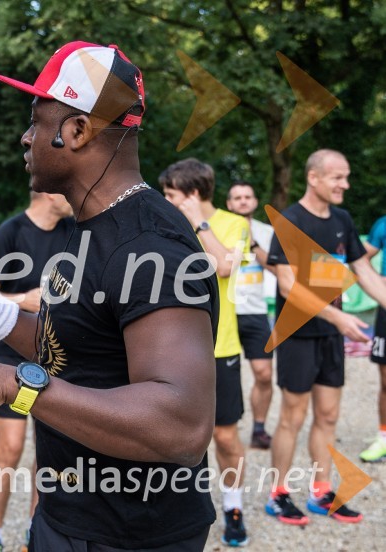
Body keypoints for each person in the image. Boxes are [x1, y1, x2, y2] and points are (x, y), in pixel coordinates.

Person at [0, 41, 219, 550]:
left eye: (36, 121)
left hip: (131, 535)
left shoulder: (151, 243)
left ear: (77, 130)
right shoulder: (87, 226)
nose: (26, 137)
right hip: (70, 516)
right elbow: (68, 344)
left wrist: (12, 384)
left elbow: (181, 425)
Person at [265, 149, 386, 524]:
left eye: (346, 177)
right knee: (292, 417)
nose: (345, 185)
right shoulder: (291, 220)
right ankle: (278, 493)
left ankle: (321, 492)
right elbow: (286, 286)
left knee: (329, 415)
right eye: (338, 177)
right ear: (314, 177)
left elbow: (363, 271)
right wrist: (337, 316)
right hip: (298, 334)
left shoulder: (342, 220)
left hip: (332, 336)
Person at [160, 159, 250, 547]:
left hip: (221, 346)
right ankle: (182, 510)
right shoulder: (167, 222)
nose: (167, 202)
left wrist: (199, 223)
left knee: (226, 437)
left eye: (172, 196)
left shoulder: (234, 224)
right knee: (176, 439)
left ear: (193, 195)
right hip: (176, 350)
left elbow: (225, 266)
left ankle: (233, 506)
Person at [0, 191, 74, 552]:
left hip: (56, 355)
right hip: (10, 355)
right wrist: (23, 300)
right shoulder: (11, 232)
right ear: (49, 194)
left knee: (46, 452)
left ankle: (36, 534)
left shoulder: (73, 230)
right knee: (11, 447)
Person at [226, 181, 276, 449]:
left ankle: (259, 428)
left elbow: (275, 268)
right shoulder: (219, 229)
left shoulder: (266, 232)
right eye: (237, 197)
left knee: (264, 373)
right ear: (229, 204)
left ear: (255, 202)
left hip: (256, 312)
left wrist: (251, 241)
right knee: (220, 373)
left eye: (248, 196)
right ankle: (221, 425)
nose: (243, 201)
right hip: (227, 312)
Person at [361, 214, 386, 462]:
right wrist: (378, 282)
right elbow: (360, 259)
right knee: (385, 378)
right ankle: (384, 438)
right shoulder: (382, 224)